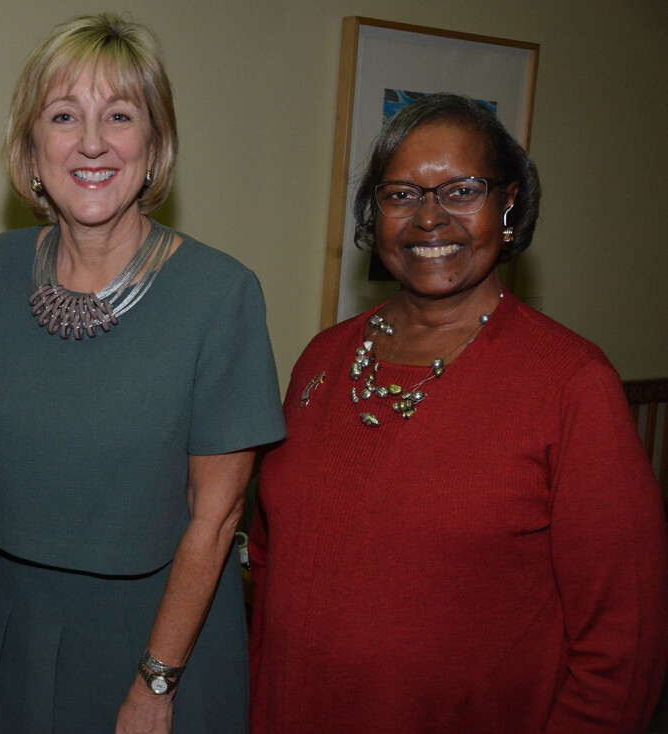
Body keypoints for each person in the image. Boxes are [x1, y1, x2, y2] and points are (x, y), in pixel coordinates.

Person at [249, 92, 668, 733]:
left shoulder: (572, 386)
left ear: (509, 205)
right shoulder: (321, 361)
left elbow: (623, 642)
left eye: (461, 191)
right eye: (401, 195)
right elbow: (276, 566)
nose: (429, 219)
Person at [0, 13, 285, 734]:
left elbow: (219, 516)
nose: (90, 142)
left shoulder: (220, 293)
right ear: (32, 148)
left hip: (160, 637)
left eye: (118, 114)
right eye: (63, 115)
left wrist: (157, 681)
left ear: (154, 145)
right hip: (14, 621)